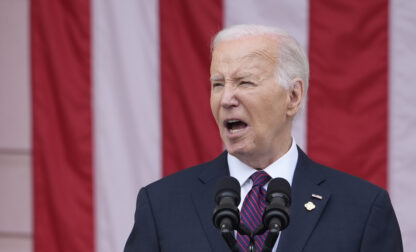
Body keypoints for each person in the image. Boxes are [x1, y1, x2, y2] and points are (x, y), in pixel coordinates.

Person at [124, 24, 403, 252]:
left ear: (293, 97)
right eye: (218, 84)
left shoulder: (362, 209)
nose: (226, 99)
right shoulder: (162, 205)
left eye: (245, 82)